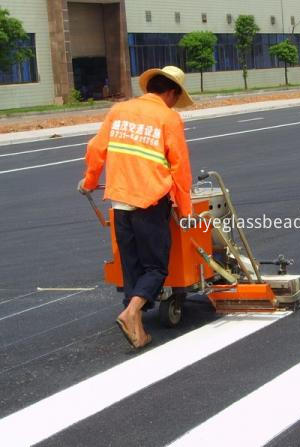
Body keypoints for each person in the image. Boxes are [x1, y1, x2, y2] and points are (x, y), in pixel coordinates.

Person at [78, 66, 194, 348]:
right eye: (174, 98)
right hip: (150, 202)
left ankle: (138, 331)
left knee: (132, 268)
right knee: (155, 268)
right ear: (170, 92)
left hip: (119, 201)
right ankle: (131, 311)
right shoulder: (169, 117)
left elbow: (95, 149)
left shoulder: (119, 110)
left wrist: (90, 180)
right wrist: (185, 208)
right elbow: (179, 167)